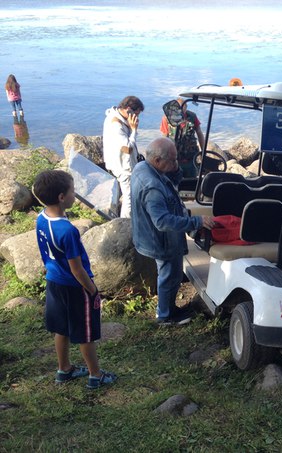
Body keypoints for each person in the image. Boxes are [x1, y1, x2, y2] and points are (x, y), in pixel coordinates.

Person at [32, 170, 117, 389]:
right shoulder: (67, 231)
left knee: (62, 329)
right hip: (75, 287)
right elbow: (77, 269)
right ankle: (95, 375)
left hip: (54, 282)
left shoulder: (41, 217)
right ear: (62, 197)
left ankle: (64, 369)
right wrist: (92, 290)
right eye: (72, 191)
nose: (75, 194)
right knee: (84, 333)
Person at [131, 137, 215, 326]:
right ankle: (165, 316)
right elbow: (162, 222)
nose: (176, 164)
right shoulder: (152, 187)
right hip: (160, 240)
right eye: (173, 160)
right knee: (169, 275)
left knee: (169, 275)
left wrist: (175, 170)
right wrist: (196, 221)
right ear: (158, 161)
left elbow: (171, 184)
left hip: (149, 234)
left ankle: (168, 308)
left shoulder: (142, 167)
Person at [102, 95, 144, 218]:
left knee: (127, 196)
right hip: (123, 167)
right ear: (128, 109)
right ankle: (126, 225)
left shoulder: (119, 119)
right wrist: (134, 130)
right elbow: (127, 148)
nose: (137, 117)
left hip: (122, 164)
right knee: (129, 197)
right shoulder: (116, 124)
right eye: (136, 114)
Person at [160, 98, 205, 178]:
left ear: (186, 107)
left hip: (190, 158)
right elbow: (164, 137)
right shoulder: (167, 119)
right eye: (179, 108)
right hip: (174, 160)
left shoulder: (192, 116)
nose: (181, 110)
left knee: (191, 183)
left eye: (183, 107)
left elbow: (199, 133)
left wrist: (203, 151)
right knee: (173, 183)